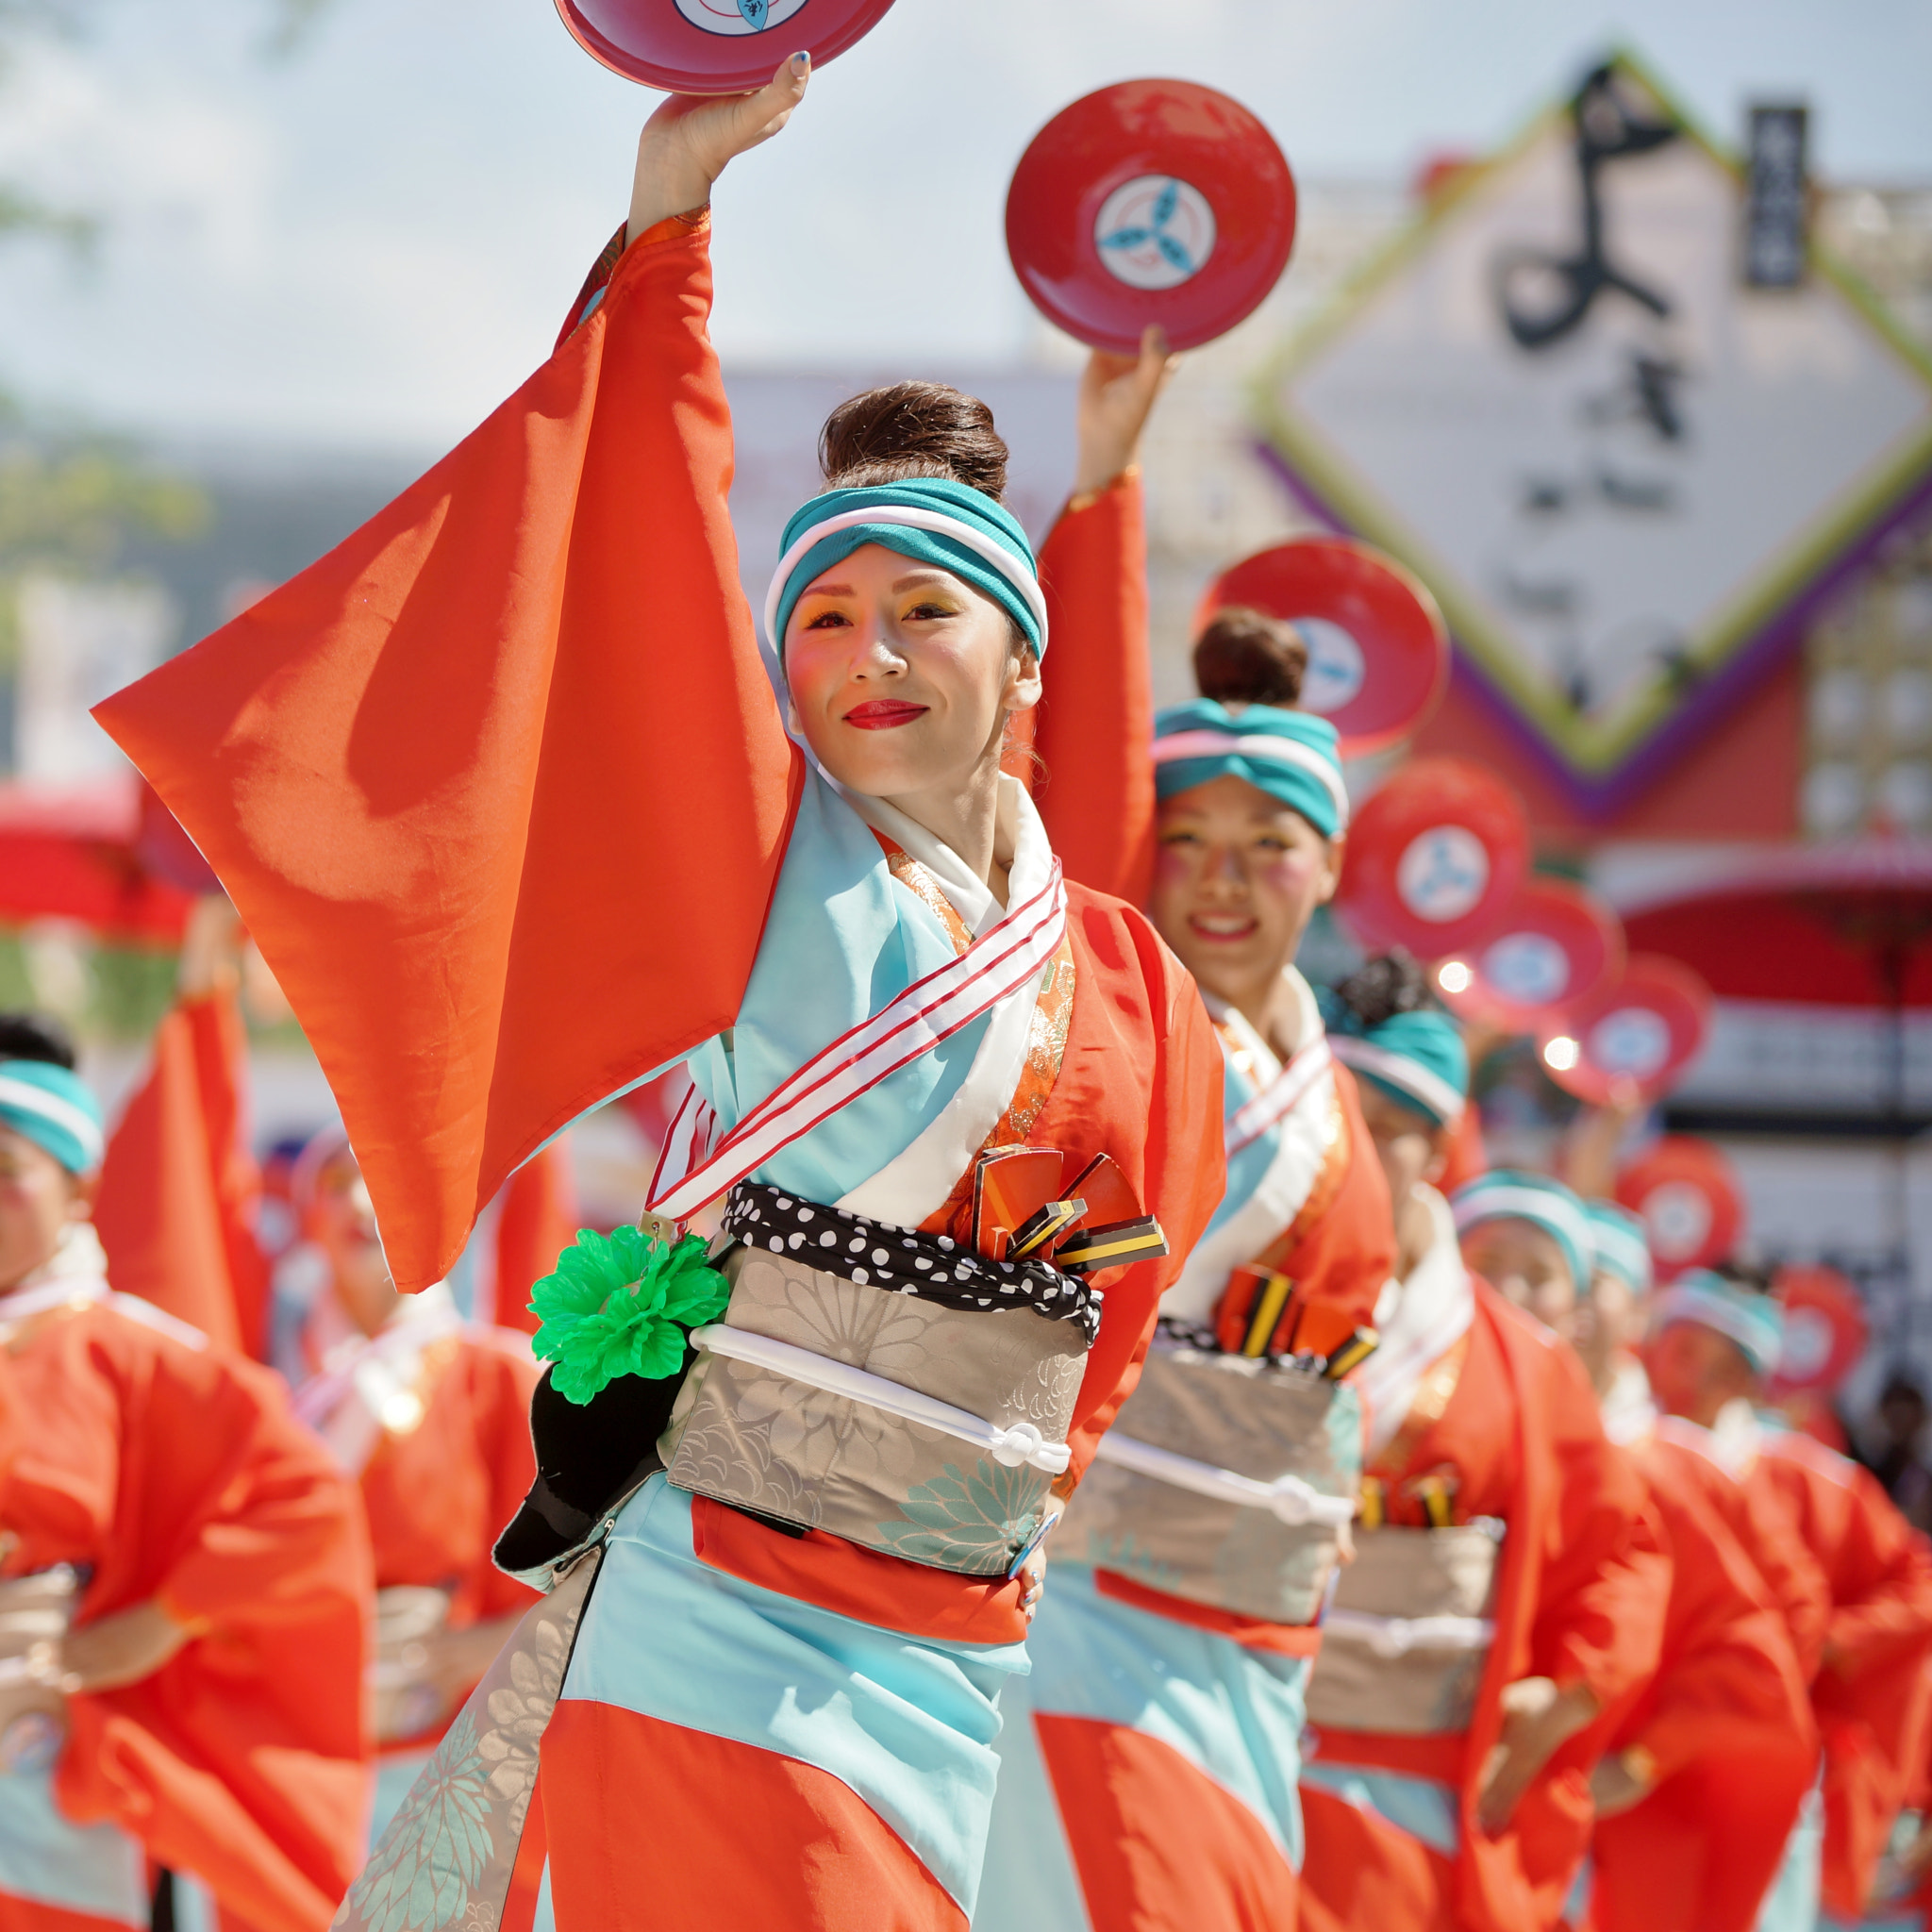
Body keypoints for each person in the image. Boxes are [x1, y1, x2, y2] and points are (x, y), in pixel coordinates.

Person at [99, 58, 1224, 1932]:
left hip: (962, 1632)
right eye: (825, 615)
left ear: (1022, 664)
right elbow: (641, 519)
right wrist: (670, 230)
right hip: (727, 1613)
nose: (870, 652)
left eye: (925, 611)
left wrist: (1100, 487)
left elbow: (1125, 1287)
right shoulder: (768, 873)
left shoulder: (1117, 963)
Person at [973, 358, 1392, 1927]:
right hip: (1085, 1617)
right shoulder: (1125, 1038)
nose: (1219, 885)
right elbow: (1031, 1237)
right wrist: (1105, 479)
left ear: (1326, 858)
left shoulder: (1323, 1081)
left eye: (1263, 847)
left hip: (1255, 1637)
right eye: (1186, 846)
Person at [0, 1012, 372, 1932]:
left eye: (6, 1173)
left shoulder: (135, 1353)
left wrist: (157, 1623)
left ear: (80, 1187)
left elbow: (304, 1500)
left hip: (43, 1769)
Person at [1296, 1150, 1668, 1932]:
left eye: (1541, 1274)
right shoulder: (1351, 1316)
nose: (1513, 1285)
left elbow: (1626, 1558)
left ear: (1577, 1305)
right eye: (1490, 1258)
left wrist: (1569, 1694)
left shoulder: (1542, 1375)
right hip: (1278, 1704)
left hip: (1427, 1755)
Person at [1646, 1268, 1932, 1925]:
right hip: (1652, 1749)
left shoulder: (1812, 1480)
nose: (1686, 1375)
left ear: (1748, 1377)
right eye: (1679, 1351)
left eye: (1710, 1360)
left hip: (1774, 1751)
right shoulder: (1628, 1454)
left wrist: (1831, 1644)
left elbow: (1918, 1586)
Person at [281, 1125, 542, 1841]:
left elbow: (597, 1570)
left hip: (452, 1758)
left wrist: (497, 1642)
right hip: (289, 1753)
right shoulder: (267, 1385)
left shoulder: (504, 1376)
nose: (361, 1205)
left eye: (388, 1186)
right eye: (336, 1186)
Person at [1562, 1223, 1818, 1932]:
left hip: (1684, 1787)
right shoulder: (1575, 1445)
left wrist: (1652, 1755)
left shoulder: (1696, 1468)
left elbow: (1781, 1634)